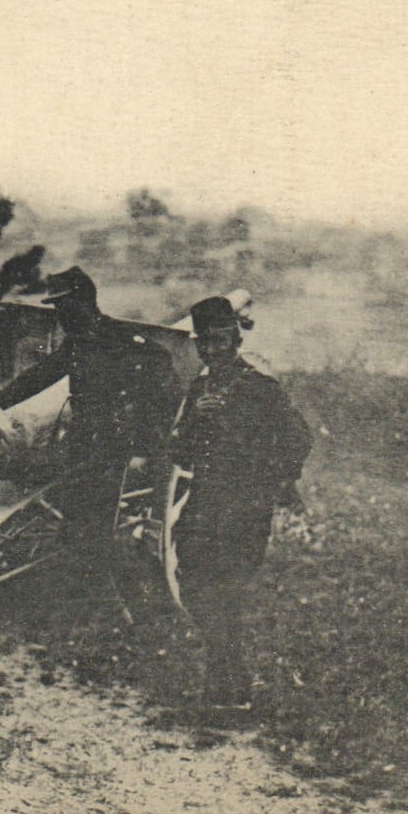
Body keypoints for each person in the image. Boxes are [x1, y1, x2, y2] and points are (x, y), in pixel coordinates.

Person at [0, 266, 179, 596]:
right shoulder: (79, 344)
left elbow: (154, 390)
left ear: (83, 303)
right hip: (83, 445)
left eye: (64, 307)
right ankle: (84, 589)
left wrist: (143, 450)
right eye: (58, 308)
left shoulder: (122, 341)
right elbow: (41, 376)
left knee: (95, 527)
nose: (60, 315)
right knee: (76, 522)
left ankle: (105, 600)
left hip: (114, 447)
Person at [168, 295, 311, 724]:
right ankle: (229, 680)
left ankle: (227, 690)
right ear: (198, 349)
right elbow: (179, 454)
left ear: (235, 339)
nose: (214, 352)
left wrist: (273, 484)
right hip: (205, 506)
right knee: (194, 588)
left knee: (225, 595)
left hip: (244, 511)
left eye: (221, 342)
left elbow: (298, 440)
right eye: (205, 346)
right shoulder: (199, 390)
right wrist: (195, 419)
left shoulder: (260, 389)